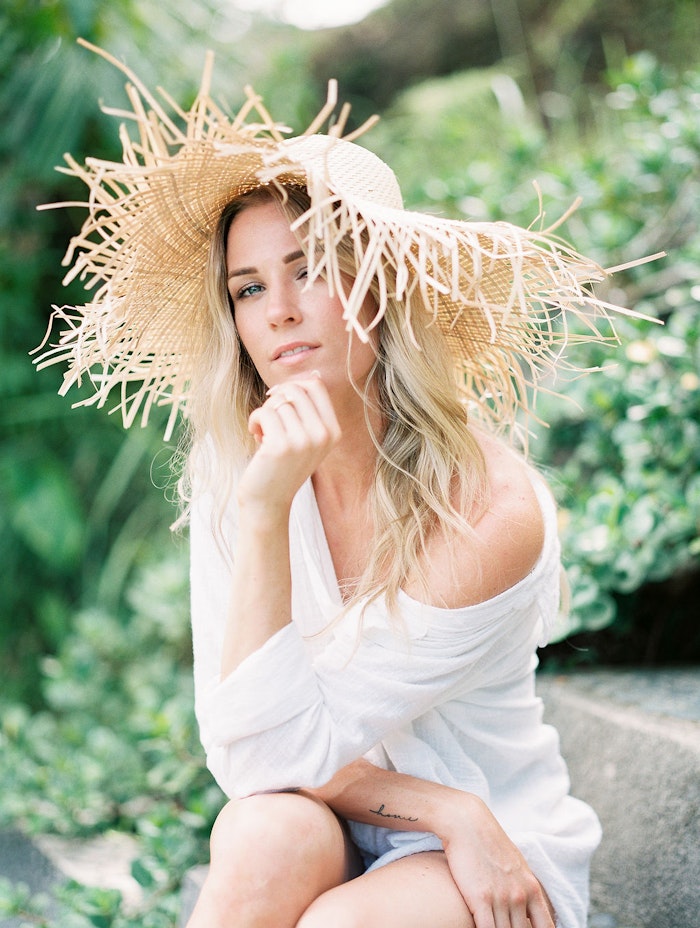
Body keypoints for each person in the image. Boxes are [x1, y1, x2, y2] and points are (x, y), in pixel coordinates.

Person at [35, 41, 655, 928]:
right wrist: (260, 508)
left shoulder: (488, 507)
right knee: (260, 837)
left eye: (311, 268)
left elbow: (276, 744)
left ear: (378, 285)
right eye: (247, 288)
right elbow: (249, 760)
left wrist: (463, 817)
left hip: (496, 858)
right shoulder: (243, 471)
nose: (278, 310)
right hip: (370, 817)